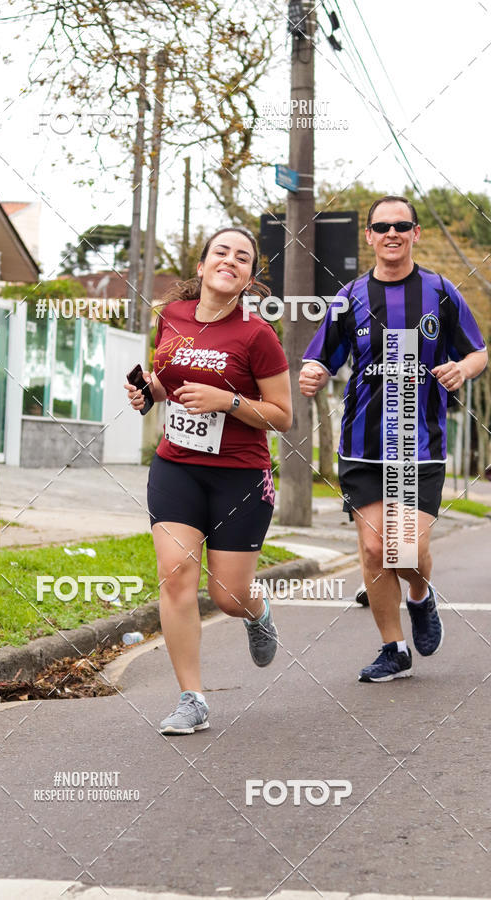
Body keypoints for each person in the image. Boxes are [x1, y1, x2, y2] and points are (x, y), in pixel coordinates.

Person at [299, 196, 487, 682]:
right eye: (381, 226)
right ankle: (394, 649)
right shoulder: (349, 297)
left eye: (402, 225)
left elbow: (478, 353)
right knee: (371, 549)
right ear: (369, 236)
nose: (392, 233)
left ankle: (421, 598)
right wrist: (314, 373)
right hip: (362, 446)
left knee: (404, 547)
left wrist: (461, 369)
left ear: (416, 233)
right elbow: (322, 356)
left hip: (418, 445)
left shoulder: (441, 292)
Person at [124, 227, 292, 733]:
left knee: (228, 596)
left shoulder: (257, 335)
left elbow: (283, 416)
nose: (231, 260)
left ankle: (257, 613)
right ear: (201, 266)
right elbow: (167, 379)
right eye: (221, 252)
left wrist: (230, 402)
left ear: (248, 278)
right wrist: (147, 393)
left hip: (240, 476)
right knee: (176, 575)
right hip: (176, 465)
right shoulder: (171, 317)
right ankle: (191, 698)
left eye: (243, 257)